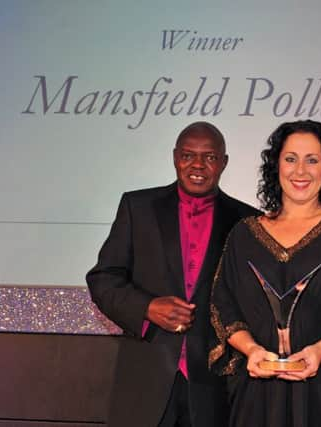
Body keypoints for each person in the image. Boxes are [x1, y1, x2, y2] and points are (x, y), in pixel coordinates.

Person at [86, 121, 259, 427]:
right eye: (188, 155)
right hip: (146, 377)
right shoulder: (137, 206)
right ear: (175, 157)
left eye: (209, 157)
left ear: (224, 162)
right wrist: (147, 307)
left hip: (216, 385)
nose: (197, 165)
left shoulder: (247, 221)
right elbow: (103, 278)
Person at [209, 120, 321, 427]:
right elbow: (223, 305)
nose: (300, 171)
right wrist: (252, 350)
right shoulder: (244, 235)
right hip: (257, 399)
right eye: (290, 159)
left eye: (312, 160)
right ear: (276, 166)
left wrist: (320, 349)